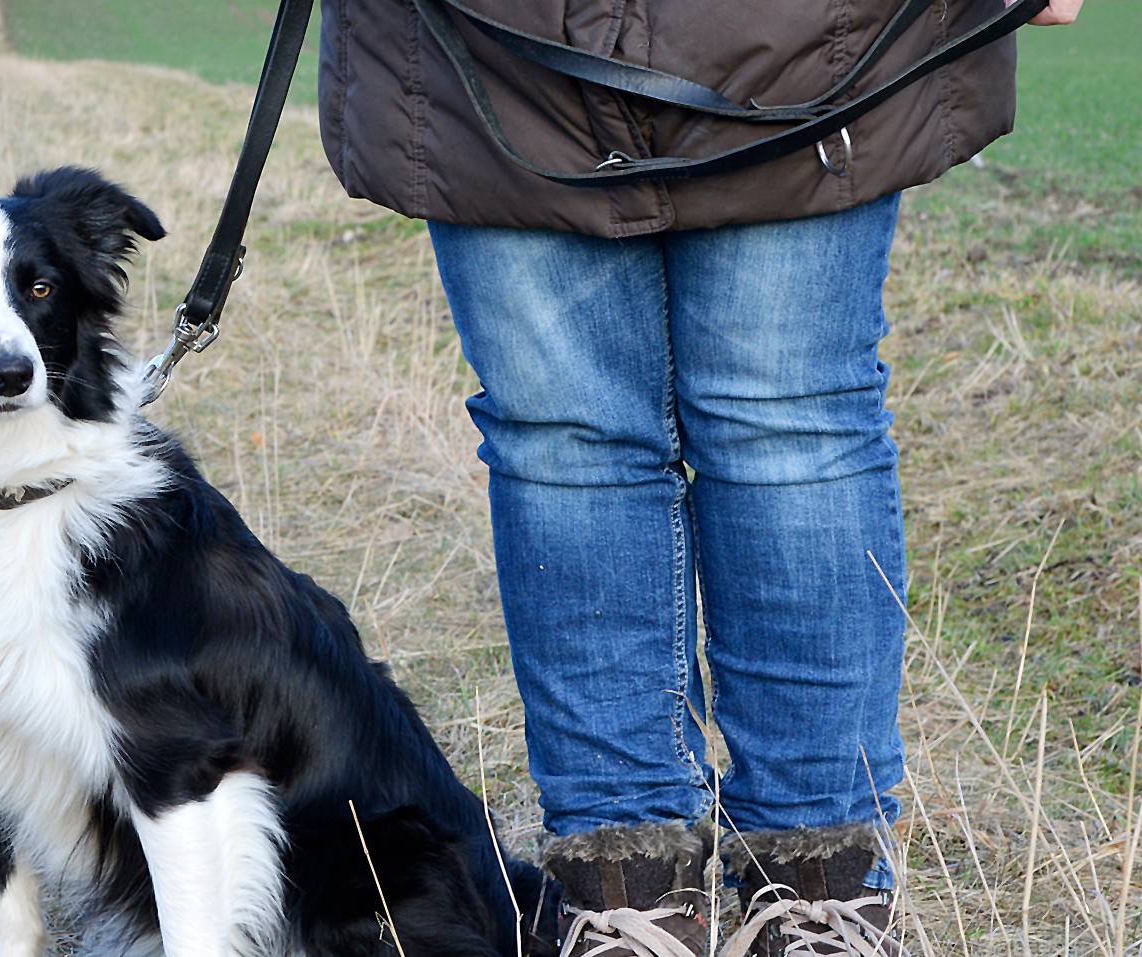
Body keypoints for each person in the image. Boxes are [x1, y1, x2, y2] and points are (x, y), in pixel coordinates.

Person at [316, 1, 1080, 954]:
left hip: (809, 39)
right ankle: (624, 891)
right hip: (489, 45)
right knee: (570, 442)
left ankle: (821, 893)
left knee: (783, 424)